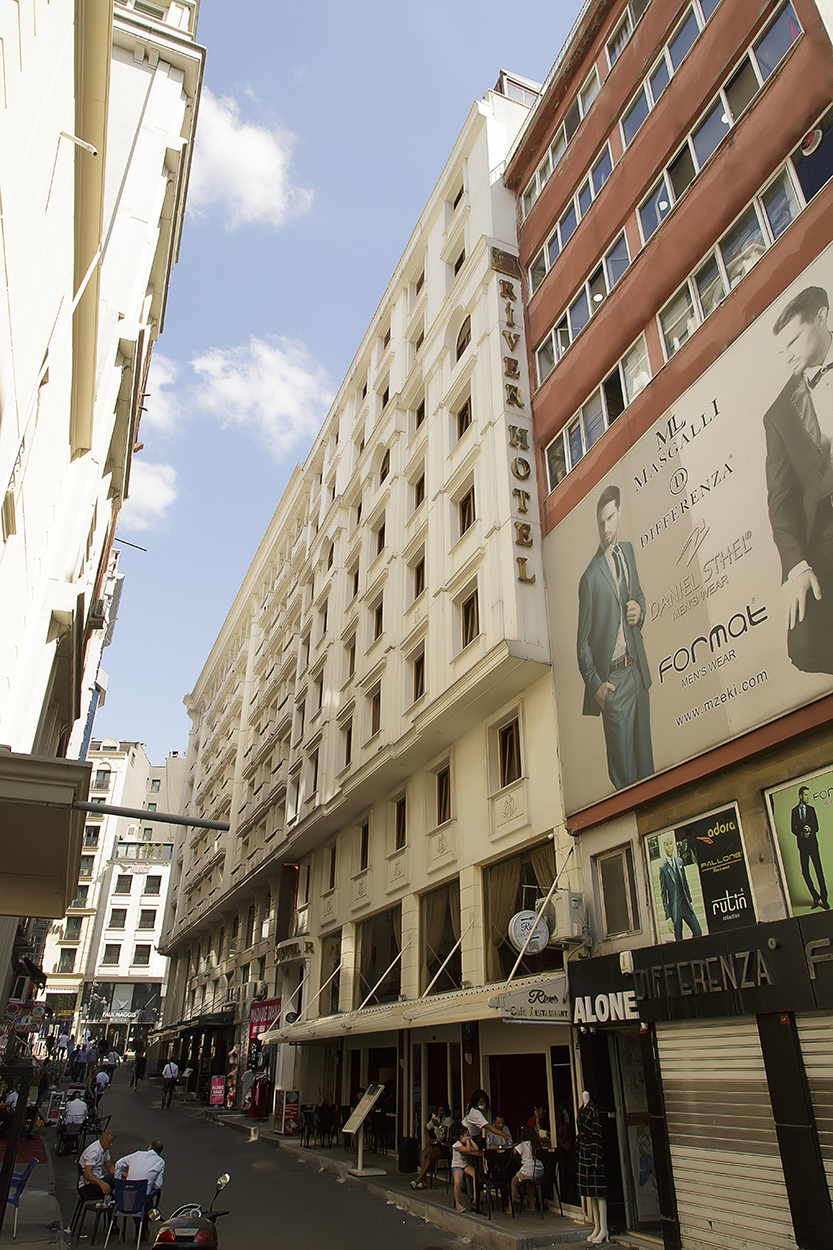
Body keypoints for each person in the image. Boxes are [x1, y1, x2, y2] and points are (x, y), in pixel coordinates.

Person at [766, 286, 833, 674]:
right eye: (783, 347)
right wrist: (796, 567)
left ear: (821, 318)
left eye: (793, 340)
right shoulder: (779, 414)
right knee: (804, 648)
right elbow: (779, 502)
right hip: (825, 528)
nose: (787, 354)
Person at [577, 484, 654, 791]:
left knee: (647, 767)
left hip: (638, 672)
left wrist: (640, 610)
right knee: (625, 778)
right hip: (614, 682)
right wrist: (596, 686)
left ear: (619, 512)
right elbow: (582, 643)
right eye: (601, 522)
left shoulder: (629, 552)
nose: (606, 528)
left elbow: (638, 595)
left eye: (610, 518)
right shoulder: (590, 578)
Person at [791, 785, 829, 909]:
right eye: (806, 795)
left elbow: (816, 827)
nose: (808, 797)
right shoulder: (794, 811)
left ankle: (824, 899)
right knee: (805, 872)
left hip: (813, 844)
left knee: (819, 871)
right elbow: (793, 829)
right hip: (802, 846)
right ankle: (815, 897)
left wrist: (810, 829)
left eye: (808, 794)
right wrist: (802, 833)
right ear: (800, 796)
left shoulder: (811, 810)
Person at [659, 836, 702, 940]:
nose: (670, 847)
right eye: (667, 844)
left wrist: (690, 900)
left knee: (698, 931)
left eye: (671, 844)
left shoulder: (679, 861)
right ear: (664, 847)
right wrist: (668, 917)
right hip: (675, 909)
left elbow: (685, 882)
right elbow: (664, 894)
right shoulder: (663, 868)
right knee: (679, 939)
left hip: (685, 905)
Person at [409, 1103, 453, 1189]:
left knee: (431, 1155)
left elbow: (446, 1136)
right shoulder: (436, 1119)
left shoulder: (448, 1120)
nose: (439, 1113)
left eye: (441, 1111)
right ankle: (424, 1180)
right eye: (438, 1111)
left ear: (445, 1112)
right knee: (423, 1153)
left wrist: (438, 1126)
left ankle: (419, 1179)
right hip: (437, 1143)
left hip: (445, 1146)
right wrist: (428, 1138)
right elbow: (426, 1127)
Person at [114, 1140, 165, 1211]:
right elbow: (158, 1185)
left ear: (149, 1147)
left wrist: (118, 1183)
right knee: (149, 1201)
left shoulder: (137, 1154)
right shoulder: (160, 1162)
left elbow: (118, 1164)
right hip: (141, 1199)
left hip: (125, 1194)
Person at [509, 1125, 544, 1212]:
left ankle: (510, 1207)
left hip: (528, 1170)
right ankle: (532, 1205)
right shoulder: (537, 1144)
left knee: (513, 1182)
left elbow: (512, 1153)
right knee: (529, 1182)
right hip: (539, 1170)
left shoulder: (523, 1145)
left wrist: (514, 1146)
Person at [77, 1128, 116, 1203]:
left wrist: (123, 1175)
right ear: (103, 1140)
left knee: (115, 1179)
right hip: (86, 1187)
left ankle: (112, 1205)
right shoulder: (94, 1152)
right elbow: (87, 1174)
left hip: (97, 1181)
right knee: (113, 1182)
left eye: (112, 1142)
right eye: (109, 1142)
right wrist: (101, 1183)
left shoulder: (105, 1149)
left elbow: (110, 1168)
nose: (111, 1145)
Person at [450, 1124, 481, 1214]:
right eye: (466, 1136)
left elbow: (476, 1149)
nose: (468, 1138)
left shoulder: (467, 1143)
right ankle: (457, 1204)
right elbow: (467, 1150)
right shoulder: (457, 1145)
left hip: (465, 1165)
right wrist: (468, 1141)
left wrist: (470, 1140)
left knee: (475, 1173)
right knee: (458, 1183)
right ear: (461, 1137)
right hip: (457, 1166)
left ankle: (475, 1198)